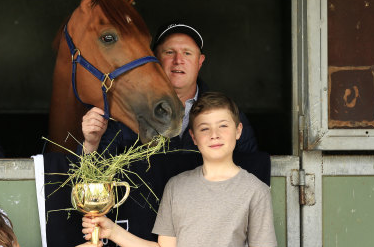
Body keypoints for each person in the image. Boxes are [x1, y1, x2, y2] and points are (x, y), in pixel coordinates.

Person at [82, 92, 276, 247]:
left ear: (238, 130)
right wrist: (113, 231)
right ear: (193, 137)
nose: (214, 134)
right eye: (204, 128)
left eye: (223, 126)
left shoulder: (255, 191)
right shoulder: (176, 187)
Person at [81, 20, 257, 155]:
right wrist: (91, 142)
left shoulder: (227, 113)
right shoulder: (125, 111)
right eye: (169, 52)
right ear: (154, 59)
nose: (178, 60)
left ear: (200, 62)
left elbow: (251, 167)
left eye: (187, 53)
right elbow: (94, 176)